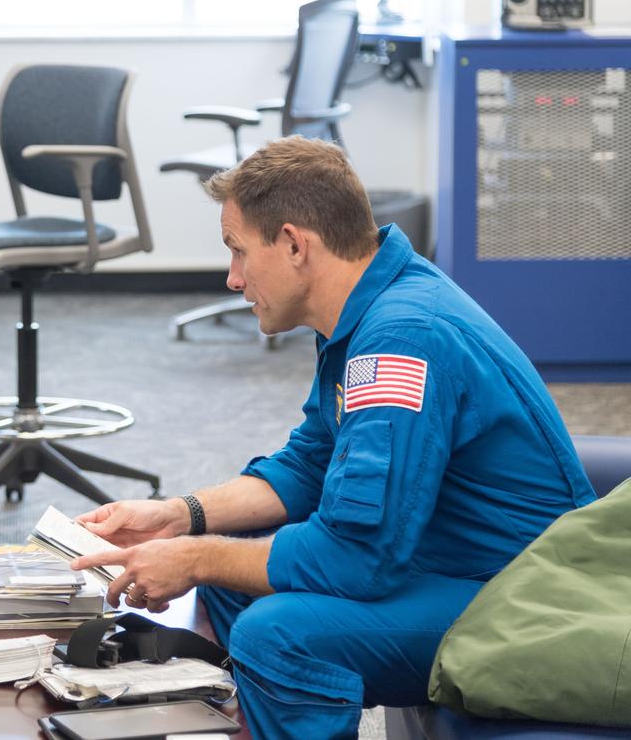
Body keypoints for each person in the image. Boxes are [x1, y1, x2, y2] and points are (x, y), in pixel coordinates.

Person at [70, 136, 596, 740]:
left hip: (523, 600)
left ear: (295, 245)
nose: (233, 278)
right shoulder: (368, 311)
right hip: (452, 564)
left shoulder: (404, 340)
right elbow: (311, 463)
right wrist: (180, 517)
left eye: (239, 252)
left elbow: (357, 558)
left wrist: (198, 556)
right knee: (232, 580)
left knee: (276, 631)